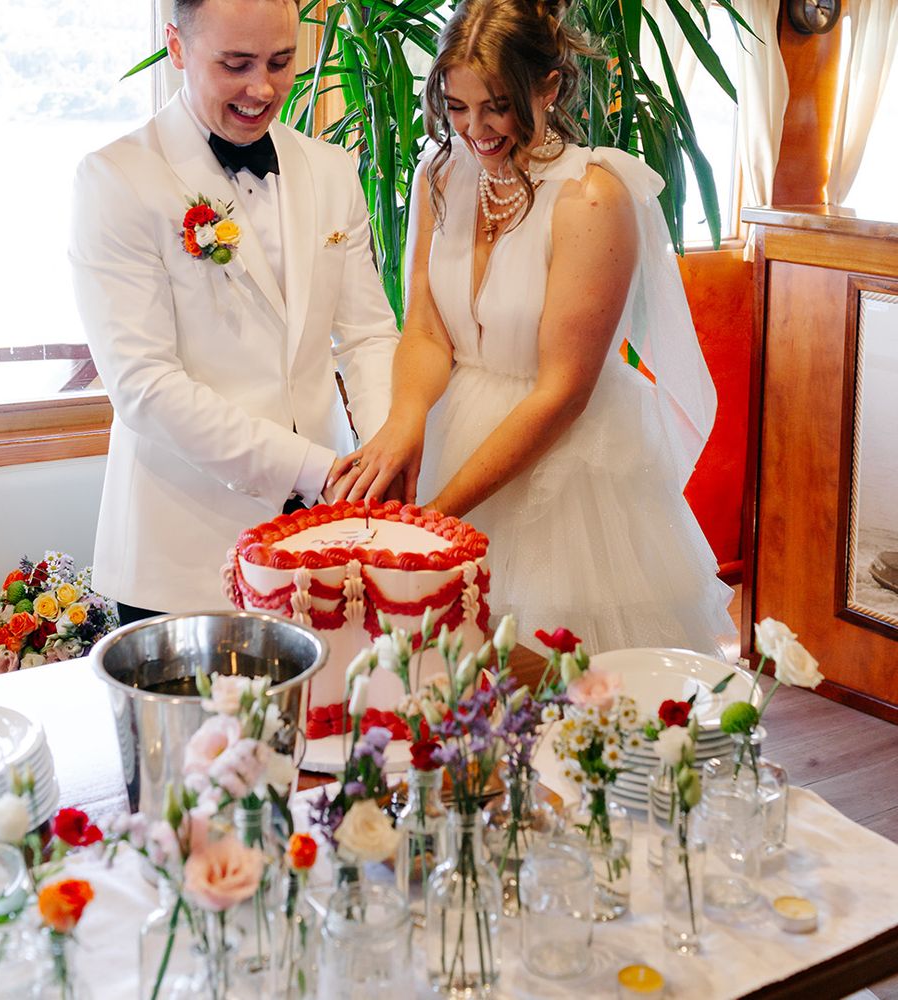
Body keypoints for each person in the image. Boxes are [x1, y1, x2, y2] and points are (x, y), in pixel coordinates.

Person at [332, 0, 735, 657]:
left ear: (548, 87)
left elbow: (561, 394)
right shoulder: (439, 174)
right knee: (448, 689)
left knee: (562, 693)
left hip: (562, 469)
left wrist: (439, 516)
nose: (474, 130)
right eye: (457, 107)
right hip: (454, 435)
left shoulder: (591, 199)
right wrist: (405, 421)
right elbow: (428, 333)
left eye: (497, 105)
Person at [69, 0, 398, 623]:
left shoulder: (330, 170)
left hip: (321, 543)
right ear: (176, 46)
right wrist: (313, 470)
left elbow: (368, 335)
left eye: (281, 61)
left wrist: (378, 460)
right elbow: (144, 386)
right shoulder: (115, 180)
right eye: (236, 64)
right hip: (183, 554)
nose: (262, 88)